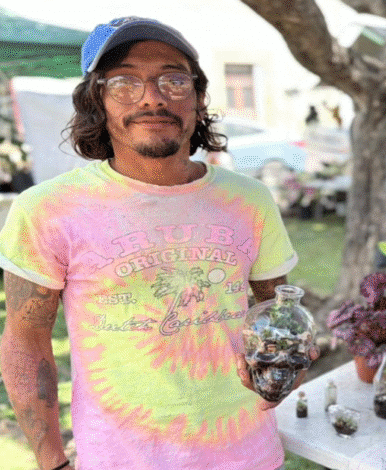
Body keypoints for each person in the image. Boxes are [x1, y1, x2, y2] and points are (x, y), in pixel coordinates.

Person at [0, 17, 313, 470]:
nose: (153, 97)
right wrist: (51, 461)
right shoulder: (47, 209)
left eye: (174, 79)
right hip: (123, 458)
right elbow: (25, 341)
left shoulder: (249, 199)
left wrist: (291, 350)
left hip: (248, 453)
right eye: (126, 82)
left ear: (199, 99)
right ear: (98, 100)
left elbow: (275, 309)